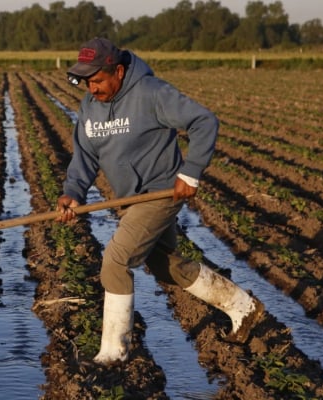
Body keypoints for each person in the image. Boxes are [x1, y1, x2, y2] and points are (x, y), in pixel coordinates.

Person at [56, 37, 264, 365]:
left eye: (97, 80)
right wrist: (73, 193)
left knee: (116, 261)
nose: (91, 88)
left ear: (119, 71)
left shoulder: (151, 92)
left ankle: (114, 353)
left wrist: (191, 172)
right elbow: (84, 156)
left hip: (160, 192)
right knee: (164, 265)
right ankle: (242, 306)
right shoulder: (90, 105)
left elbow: (204, 121)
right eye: (86, 82)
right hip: (131, 199)